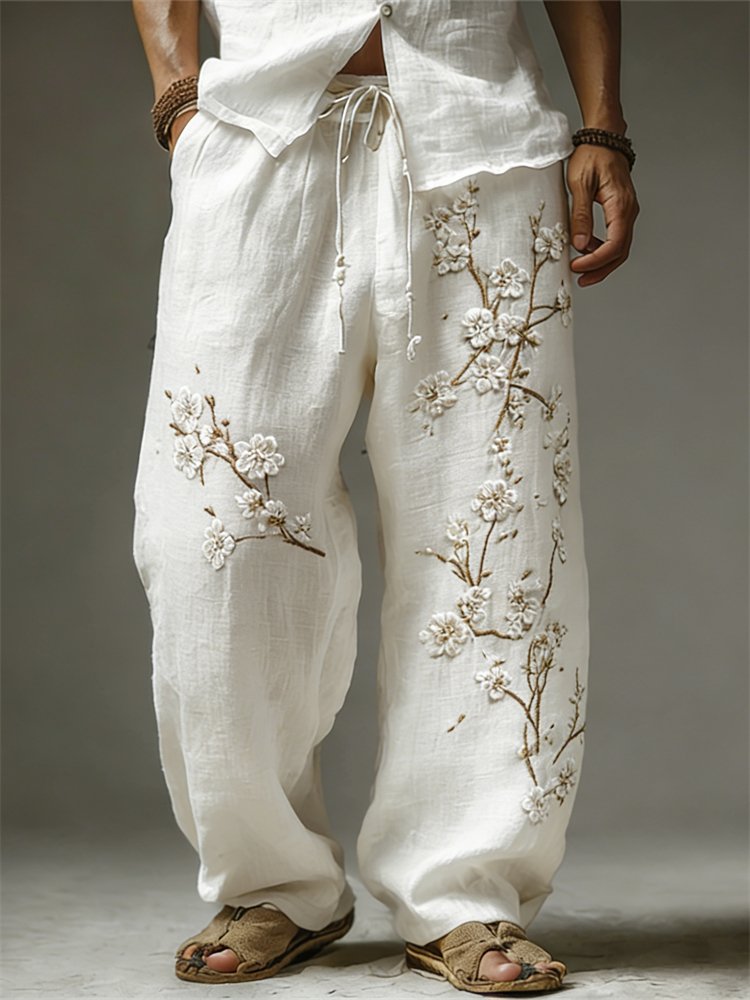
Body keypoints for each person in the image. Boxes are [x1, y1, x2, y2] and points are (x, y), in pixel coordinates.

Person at [131, 0, 639, 991]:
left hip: (482, 137)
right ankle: (271, 882)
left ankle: (465, 888)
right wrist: (178, 101)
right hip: (259, 137)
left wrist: (602, 124)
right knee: (213, 528)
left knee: (494, 523)